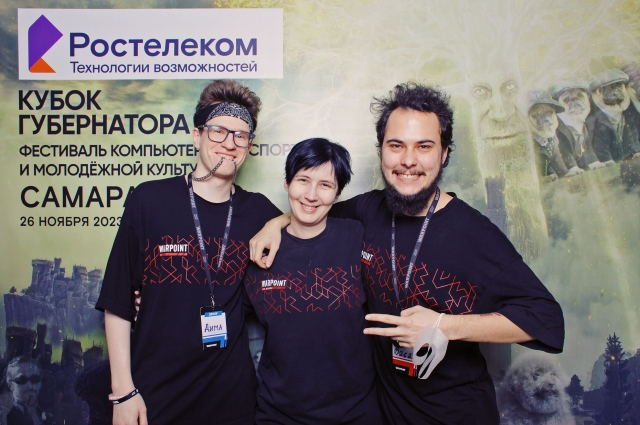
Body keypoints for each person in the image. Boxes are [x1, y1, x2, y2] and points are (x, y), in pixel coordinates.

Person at [250, 82, 565, 425]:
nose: (408, 160)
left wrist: (445, 325)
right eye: (396, 145)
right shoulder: (369, 209)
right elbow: (313, 208)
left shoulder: (474, 234)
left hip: (454, 415)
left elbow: (546, 320)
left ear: (444, 154)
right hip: (385, 412)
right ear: (382, 151)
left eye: (424, 146)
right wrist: (275, 223)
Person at [96, 80, 281, 425]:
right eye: (218, 131)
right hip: (156, 396)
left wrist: (278, 222)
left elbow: (310, 221)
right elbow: (117, 302)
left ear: (249, 146)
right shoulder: (149, 201)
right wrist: (123, 393)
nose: (230, 143)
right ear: (197, 136)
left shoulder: (258, 211)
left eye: (241, 135)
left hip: (233, 401)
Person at [243, 138, 382, 424]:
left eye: (325, 185)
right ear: (287, 183)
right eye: (303, 180)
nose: (311, 195)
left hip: (356, 413)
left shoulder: (358, 238)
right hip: (279, 414)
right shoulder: (261, 251)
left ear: (337, 193)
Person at [549, 78, 604, 170]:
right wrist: (573, 167)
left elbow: (586, 146)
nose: (574, 100)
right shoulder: (558, 127)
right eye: (567, 99)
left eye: (579, 95)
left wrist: (594, 162)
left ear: (588, 98)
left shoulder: (581, 121)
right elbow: (564, 150)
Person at [527, 89, 582, 179]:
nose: (545, 118)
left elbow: (555, 156)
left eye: (549, 112)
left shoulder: (552, 137)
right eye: (536, 115)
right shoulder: (527, 142)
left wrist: (565, 173)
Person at [588, 69, 640, 163]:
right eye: (605, 89)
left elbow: (633, 138)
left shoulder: (630, 113)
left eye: (618, 85)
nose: (614, 91)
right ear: (595, 94)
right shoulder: (594, 120)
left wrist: (636, 152)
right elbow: (600, 148)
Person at [4, 356, 54, 425]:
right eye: (22, 380)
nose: (30, 386)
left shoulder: (47, 415)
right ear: (10, 384)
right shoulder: (4, 416)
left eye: (35, 379)